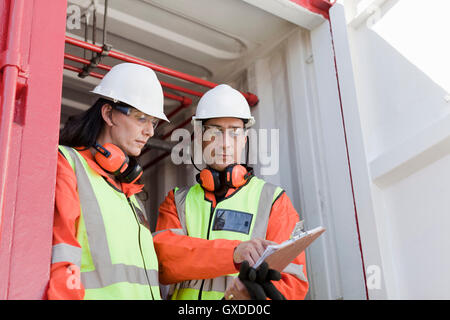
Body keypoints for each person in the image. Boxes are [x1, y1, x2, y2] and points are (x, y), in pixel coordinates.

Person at [153, 84, 309, 300]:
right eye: (215, 132)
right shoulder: (177, 201)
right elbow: (164, 262)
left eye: (235, 132)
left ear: (244, 138)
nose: (225, 144)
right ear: (199, 137)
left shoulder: (273, 201)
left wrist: (253, 298)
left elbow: (292, 283)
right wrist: (234, 253)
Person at [47, 63, 169, 300]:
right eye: (141, 118)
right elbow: (60, 258)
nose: (150, 132)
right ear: (108, 114)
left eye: (153, 122)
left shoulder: (130, 192)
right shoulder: (69, 165)